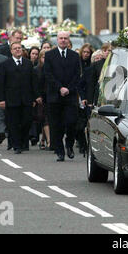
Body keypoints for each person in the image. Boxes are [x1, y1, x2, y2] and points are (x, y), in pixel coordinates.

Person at [0, 42, 41, 155]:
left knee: (26, 121)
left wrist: (36, 97)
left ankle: (23, 141)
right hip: (11, 99)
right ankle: (16, 145)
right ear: (11, 51)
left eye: (19, 48)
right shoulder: (5, 64)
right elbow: (1, 83)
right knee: (14, 123)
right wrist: (1, 99)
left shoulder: (28, 64)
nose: (17, 50)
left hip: (26, 99)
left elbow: (33, 82)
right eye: (15, 49)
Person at [44, 31, 81, 162]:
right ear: (57, 40)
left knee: (71, 122)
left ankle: (69, 145)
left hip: (70, 96)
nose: (63, 40)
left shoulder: (75, 56)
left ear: (69, 40)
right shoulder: (49, 55)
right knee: (56, 125)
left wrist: (68, 89)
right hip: (55, 96)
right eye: (61, 38)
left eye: (65, 38)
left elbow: (77, 75)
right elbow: (48, 75)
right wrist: (59, 88)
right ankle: (59, 151)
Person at [76, 43, 94, 155]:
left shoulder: (92, 66)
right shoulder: (78, 64)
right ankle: (80, 142)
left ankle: (85, 145)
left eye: (88, 52)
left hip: (87, 97)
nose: (86, 54)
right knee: (79, 123)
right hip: (78, 94)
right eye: (84, 52)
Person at [35, 50, 51, 151]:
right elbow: (35, 84)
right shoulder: (36, 70)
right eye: (43, 57)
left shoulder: (52, 69)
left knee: (49, 119)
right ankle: (49, 141)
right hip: (41, 97)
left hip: (51, 96)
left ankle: (44, 139)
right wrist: (37, 96)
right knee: (44, 119)